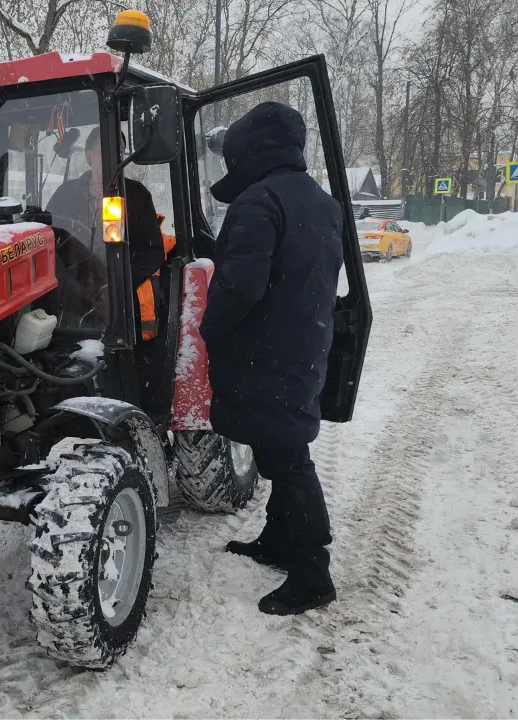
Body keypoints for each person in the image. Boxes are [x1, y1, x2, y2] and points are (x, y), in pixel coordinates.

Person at [199, 101, 343, 616]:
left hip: (266, 351)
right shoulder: (321, 202)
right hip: (304, 345)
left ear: (250, 150)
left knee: (288, 459)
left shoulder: (258, 203)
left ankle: (311, 572)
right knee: (281, 448)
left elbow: (240, 285)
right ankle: (279, 539)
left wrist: (208, 331)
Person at [46, 132, 165, 331]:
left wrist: (120, 286)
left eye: (119, 152)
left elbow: (152, 252)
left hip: (118, 297)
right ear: (88, 156)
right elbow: (50, 238)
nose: (113, 157)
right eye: (104, 151)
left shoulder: (137, 195)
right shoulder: (65, 194)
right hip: (72, 291)